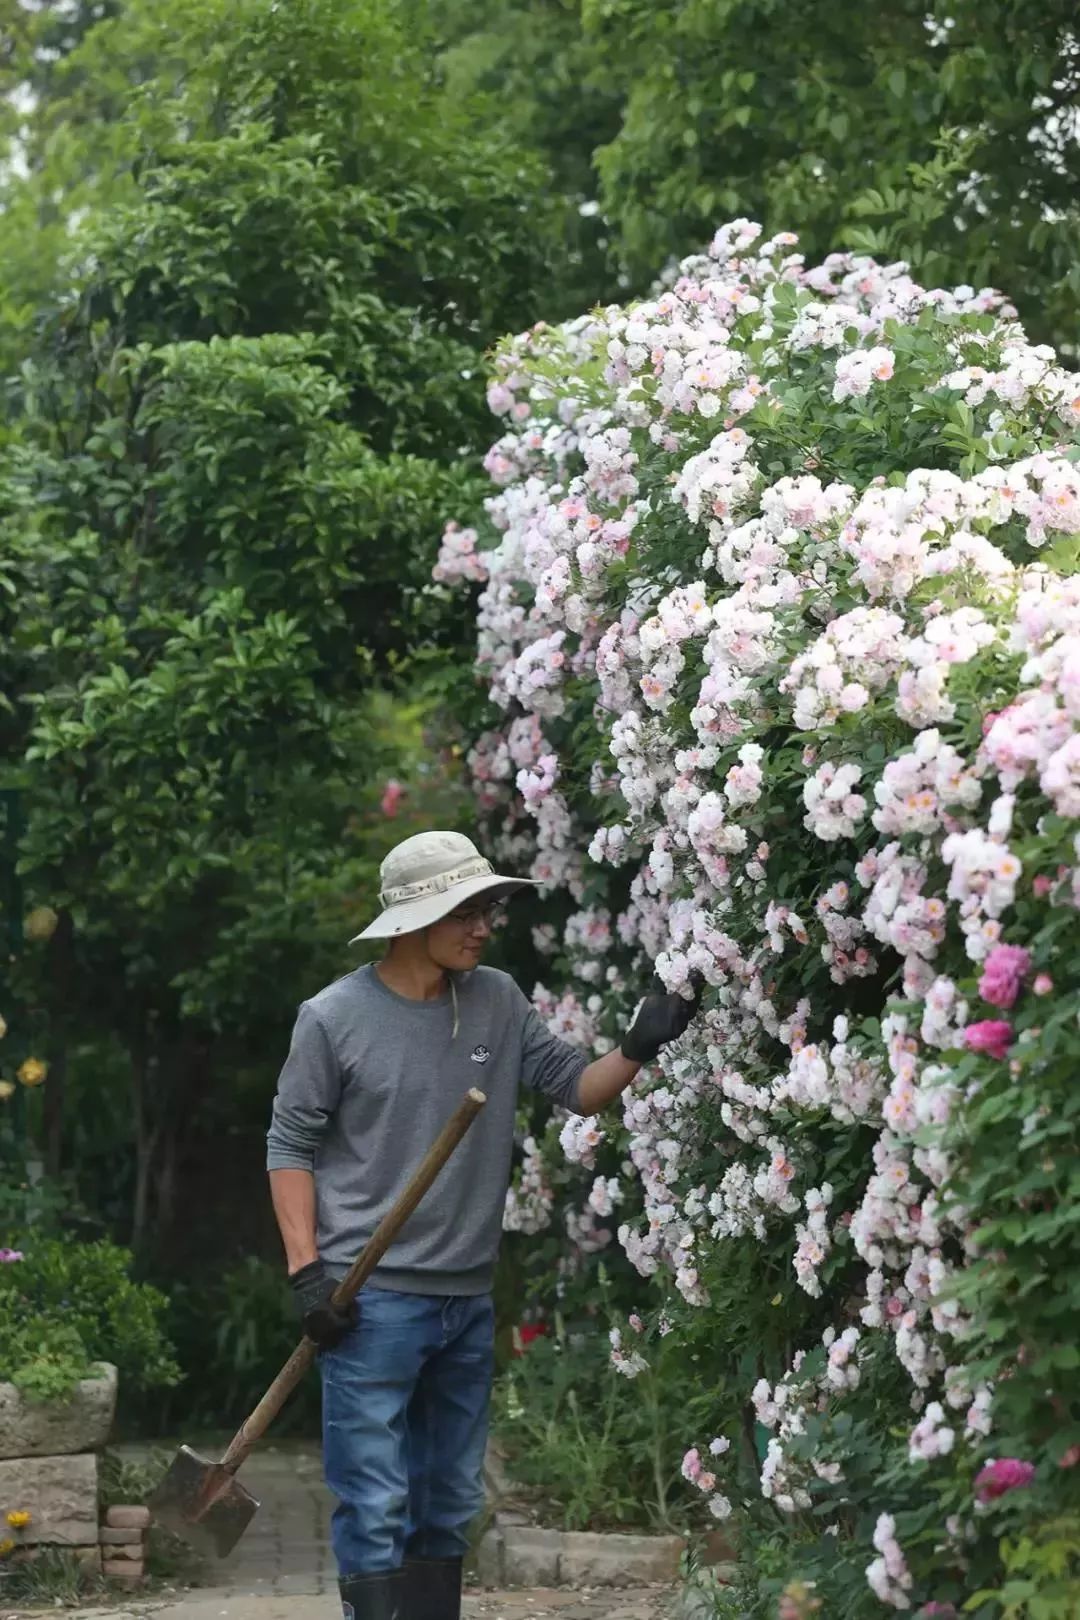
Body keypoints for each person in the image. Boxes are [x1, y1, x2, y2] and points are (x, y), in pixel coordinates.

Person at [266, 830, 703, 1620]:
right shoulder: (332, 1019)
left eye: (487, 909)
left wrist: (640, 1045)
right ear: (411, 919)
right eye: (465, 910)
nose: (482, 925)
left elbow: (576, 1088)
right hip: (369, 1302)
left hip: (464, 1300)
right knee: (374, 1500)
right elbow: (289, 1146)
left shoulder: (496, 999)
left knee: (447, 1502)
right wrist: (308, 1278)